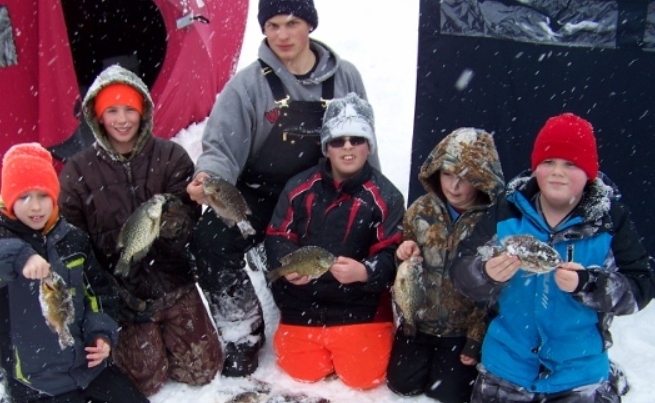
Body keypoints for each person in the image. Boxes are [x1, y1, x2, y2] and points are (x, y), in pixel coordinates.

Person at [185, 0, 379, 377]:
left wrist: (376, 201)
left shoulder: (345, 79)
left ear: (310, 26)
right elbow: (221, 148)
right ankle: (242, 332)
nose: (282, 35)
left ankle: (332, 325)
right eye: (272, 25)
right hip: (257, 193)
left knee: (336, 257)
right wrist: (207, 177)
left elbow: (363, 142)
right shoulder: (247, 85)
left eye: (292, 23)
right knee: (208, 243)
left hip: (320, 195)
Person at [450, 113, 655, 403]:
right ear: (536, 168)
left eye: (570, 164)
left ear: (589, 173)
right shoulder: (507, 211)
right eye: (548, 162)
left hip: (579, 374)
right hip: (506, 368)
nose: (557, 172)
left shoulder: (610, 222)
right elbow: (460, 270)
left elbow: (640, 288)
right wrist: (485, 273)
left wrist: (589, 284)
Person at [58, 65, 223, 396]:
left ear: (143, 111)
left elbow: (190, 219)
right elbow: (73, 240)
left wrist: (177, 223)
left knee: (204, 370)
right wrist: (111, 292)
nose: (122, 119)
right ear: (97, 116)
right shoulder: (77, 170)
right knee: (144, 383)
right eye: (112, 110)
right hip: (124, 292)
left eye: (130, 109)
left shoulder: (171, 155)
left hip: (174, 279)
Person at [0, 143, 147, 403]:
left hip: (87, 369)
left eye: (43, 196)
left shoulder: (73, 240)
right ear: (8, 198)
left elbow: (100, 293)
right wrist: (15, 257)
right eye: (24, 196)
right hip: (34, 382)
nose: (36, 207)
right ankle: (3, 388)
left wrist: (101, 333)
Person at [264, 93, 403, 389]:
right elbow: (278, 234)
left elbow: (391, 251)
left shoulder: (387, 196)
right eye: (338, 140)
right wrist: (286, 267)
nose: (348, 147)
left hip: (359, 306)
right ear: (327, 147)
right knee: (302, 371)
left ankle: (360, 340)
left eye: (357, 139)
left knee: (365, 378)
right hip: (303, 301)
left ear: (369, 146)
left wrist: (365, 272)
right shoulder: (299, 187)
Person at [386, 128, 505, 403]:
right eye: (448, 174)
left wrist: (475, 339)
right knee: (401, 384)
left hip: (460, 331)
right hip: (419, 320)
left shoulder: (492, 223)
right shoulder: (420, 209)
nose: (453, 186)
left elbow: (493, 292)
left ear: (483, 179)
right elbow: (402, 262)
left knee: (449, 394)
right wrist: (403, 252)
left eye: (465, 178)